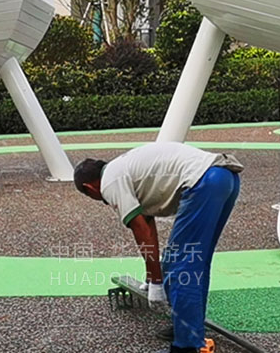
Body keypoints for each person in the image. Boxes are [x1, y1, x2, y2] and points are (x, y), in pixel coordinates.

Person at [74, 142, 242, 353]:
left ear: (89, 188)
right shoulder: (123, 169)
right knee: (195, 261)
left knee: (180, 268)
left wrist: (156, 281)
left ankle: (187, 347)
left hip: (203, 182)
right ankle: (187, 328)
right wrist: (151, 275)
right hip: (225, 177)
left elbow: (141, 230)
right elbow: (148, 224)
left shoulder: (110, 183)